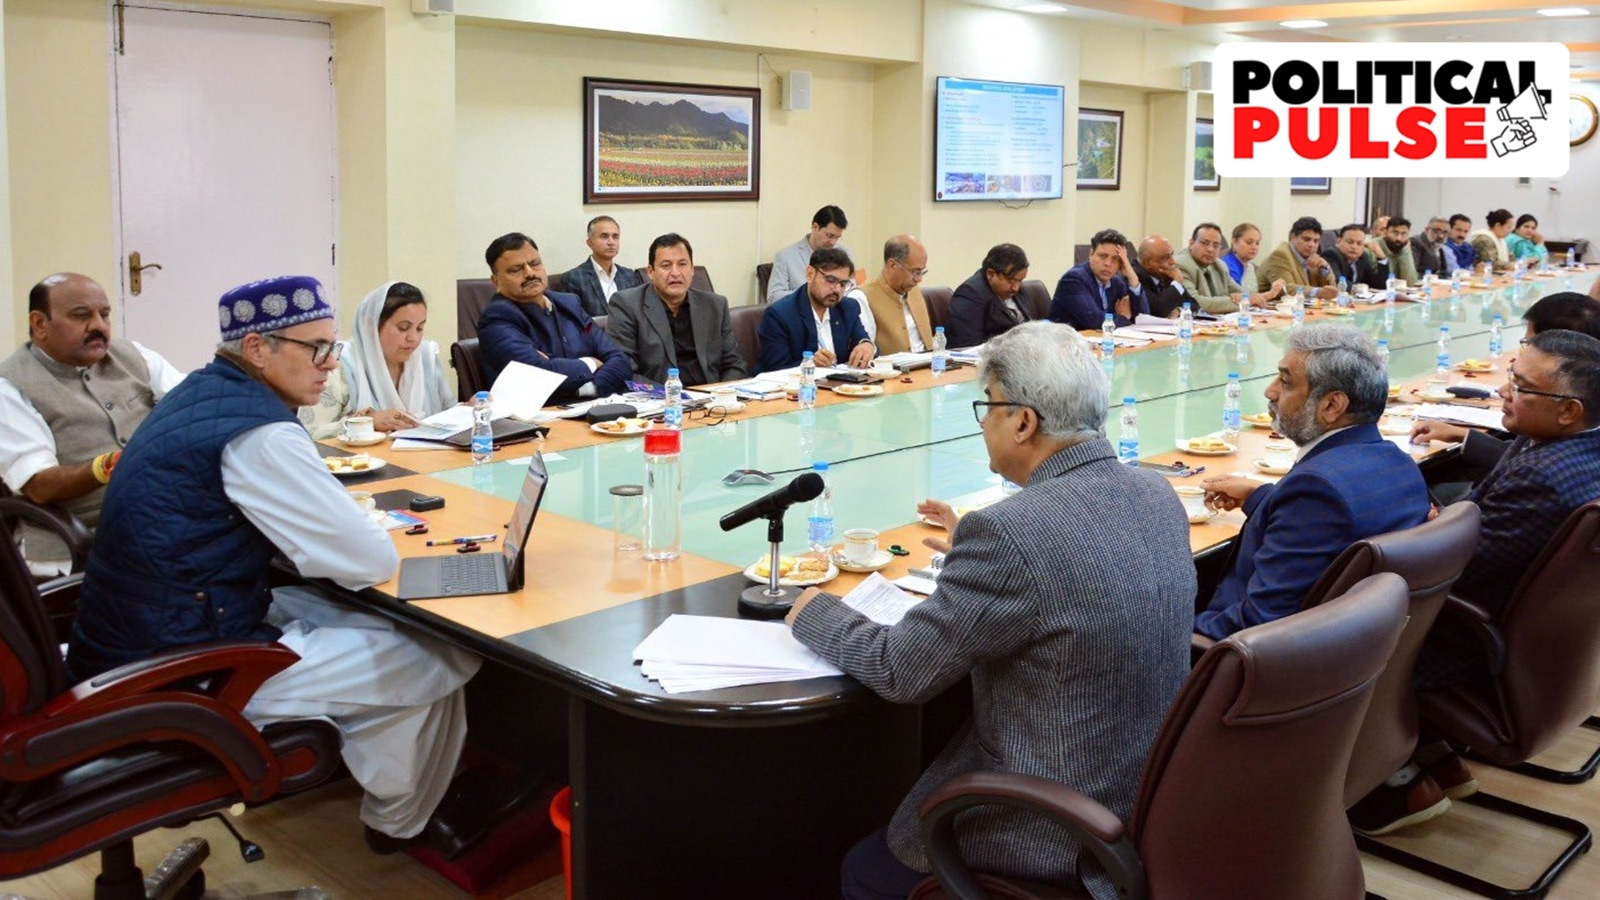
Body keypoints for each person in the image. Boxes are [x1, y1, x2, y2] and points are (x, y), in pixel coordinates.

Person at [65, 275, 481, 854]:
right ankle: (402, 818)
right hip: (181, 669)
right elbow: (366, 558)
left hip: (133, 633)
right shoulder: (258, 430)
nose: (331, 365)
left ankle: (401, 802)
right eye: (316, 349)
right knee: (439, 648)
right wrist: (354, 523)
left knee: (397, 626)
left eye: (333, 347)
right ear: (257, 349)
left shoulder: (200, 394)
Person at [786, 321, 1194, 900]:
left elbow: (900, 670)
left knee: (863, 870)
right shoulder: (1155, 492)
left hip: (1053, 827)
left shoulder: (1011, 533)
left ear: (1023, 422)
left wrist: (809, 608)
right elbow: (1073, 571)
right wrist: (981, 561)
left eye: (989, 408)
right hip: (1143, 794)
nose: (983, 423)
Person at [1365, 330, 1600, 838]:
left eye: (1520, 385)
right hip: (1547, 651)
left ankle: (1382, 782)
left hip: (1468, 644)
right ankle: (1429, 753)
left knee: (1330, 599)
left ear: (1569, 411)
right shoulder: (1572, 451)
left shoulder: (1544, 479)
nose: (1503, 392)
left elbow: (1447, 572)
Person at [1194, 324, 1431, 641]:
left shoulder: (1316, 490)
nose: (1270, 391)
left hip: (1241, 665)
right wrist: (1262, 496)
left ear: (1332, 406)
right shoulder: (1401, 465)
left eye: (1285, 382)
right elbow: (1331, 526)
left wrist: (1177, 636)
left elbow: (1256, 623)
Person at [0, 273, 185, 571]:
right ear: (39, 324)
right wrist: (108, 466)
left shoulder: (133, 355)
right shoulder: (10, 387)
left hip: (160, 522)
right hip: (78, 546)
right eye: (80, 315)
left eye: (105, 314)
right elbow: (39, 485)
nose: (98, 326)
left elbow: (193, 405)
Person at [1411, 291, 1600, 472]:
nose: (1504, 391)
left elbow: (1523, 463)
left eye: (1529, 344)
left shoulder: (1539, 472)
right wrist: (1461, 434)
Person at [477, 232, 632, 399]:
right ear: (496, 282)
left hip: (593, 405)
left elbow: (619, 360)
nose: (529, 273)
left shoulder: (569, 303)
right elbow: (538, 375)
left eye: (535, 263)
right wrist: (590, 362)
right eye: (516, 269)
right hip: (542, 418)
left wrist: (588, 387)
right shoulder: (497, 318)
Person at [298, 281, 455, 440]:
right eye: (403, 328)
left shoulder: (425, 358)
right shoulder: (339, 364)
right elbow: (308, 434)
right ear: (371, 326)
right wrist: (366, 423)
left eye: (420, 328)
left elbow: (448, 416)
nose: (413, 338)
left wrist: (468, 409)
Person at [606, 232, 747, 385]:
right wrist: (670, 398)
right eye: (666, 265)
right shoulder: (626, 305)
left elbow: (734, 364)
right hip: (660, 400)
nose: (675, 273)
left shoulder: (715, 305)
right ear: (651, 272)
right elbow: (624, 370)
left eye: (682, 264)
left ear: (692, 269)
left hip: (711, 399)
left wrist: (721, 394)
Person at [756, 247, 874, 372]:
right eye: (831, 280)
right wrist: (808, 363)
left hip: (841, 386)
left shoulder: (848, 307)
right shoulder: (779, 315)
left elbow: (863, 340)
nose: (837, 290)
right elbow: (774, 370)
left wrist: (867, 345)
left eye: (843, 284)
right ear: (810, 274)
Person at [852, 234, 934, 355]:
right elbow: (865, 350)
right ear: (892, 265)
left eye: (922, 272)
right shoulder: (862, 297)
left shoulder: (913, 290)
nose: (919, 279)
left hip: (929, 366)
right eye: (915, 272)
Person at [1050, 229, 1148, 329]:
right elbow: (1096, 321)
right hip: (1068, 342)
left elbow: (1143, 319)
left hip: (1102, 341)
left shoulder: (1116, 283)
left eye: (1115, 259)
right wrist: (1124, 317)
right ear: (1091, 254)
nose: (1108, 263)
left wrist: (1133, 278)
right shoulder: (1074, 279)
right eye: (1103, 256)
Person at [946, 243, 1033, 348]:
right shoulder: (970, 295)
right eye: (1011, 280)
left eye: (1020, 281)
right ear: (991, 274)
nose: (1016, 287)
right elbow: (967, 347)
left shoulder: (1017, 290)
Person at [557, 215, 645, 317]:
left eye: (615, 237)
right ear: (590, 243)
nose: (611, 242)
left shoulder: (628, 275)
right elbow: (574, 320)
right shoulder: (573, 278)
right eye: (604, 236)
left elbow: (639, 313)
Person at [768, 205, 853, 302]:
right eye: (830, 236)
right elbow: (773, 297)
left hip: (837, 311)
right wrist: (810, 292)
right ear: (815, 227)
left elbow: (853, 286)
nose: (833, 242)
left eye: (837, 237)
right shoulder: (786, 256)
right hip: (801, 313)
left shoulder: (845, 253)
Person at [1258, 216, 1339, 300]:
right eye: (1307, 239)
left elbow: (1331, 291)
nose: (1311, 245)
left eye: (1316, 241)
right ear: (1293, 237)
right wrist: (1317, 292)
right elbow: (1284, 289)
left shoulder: (1312, 258)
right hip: (1274, 308)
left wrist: (1325, 268)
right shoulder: (1280, 255)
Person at [1173, 222, 1244, 314]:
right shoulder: (1181, 264)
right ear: (1191, 243)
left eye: (1215, 245)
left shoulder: (1219, 265)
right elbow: (1196, 302)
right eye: (1205, 243)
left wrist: (1241, 297)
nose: (1210, 249)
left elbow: (1243, 294)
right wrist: (1237, 302)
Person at [1134, 235, 1189, 318]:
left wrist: (1179, 310)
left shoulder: (1165, 274)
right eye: (1166, 258)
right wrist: (1177, 282)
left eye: (1172, 255)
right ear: (1148, 262)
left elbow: (1193, 304)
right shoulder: (1135, 277)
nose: (1173, 262)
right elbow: (1158, 310)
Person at [1326, 224, 1389, 292]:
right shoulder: (1331, 255)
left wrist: (1382, 258)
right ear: (1338, 240)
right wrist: (1361, 289)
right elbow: (1337, 282)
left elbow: (1378, 285)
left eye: (1359, 243)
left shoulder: (1363, 257)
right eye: (1350, 242)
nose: (1354, 247)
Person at [1368, 215, 1420, 284]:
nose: (1399, 238)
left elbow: (1411, 283)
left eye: (1404, 234)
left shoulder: (1403, 247)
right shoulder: (1373, 246)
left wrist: (1405, 253)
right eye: (1395, 233)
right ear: (1385, 232)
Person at [1471, 209, 1515, 273]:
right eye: (1508, 227)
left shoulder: (1502, 240)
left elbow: (1511, 258)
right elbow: (1491, 262)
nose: (1510, 231)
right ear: (1498, 226)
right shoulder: (1484, 239)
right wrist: (1511, 265)